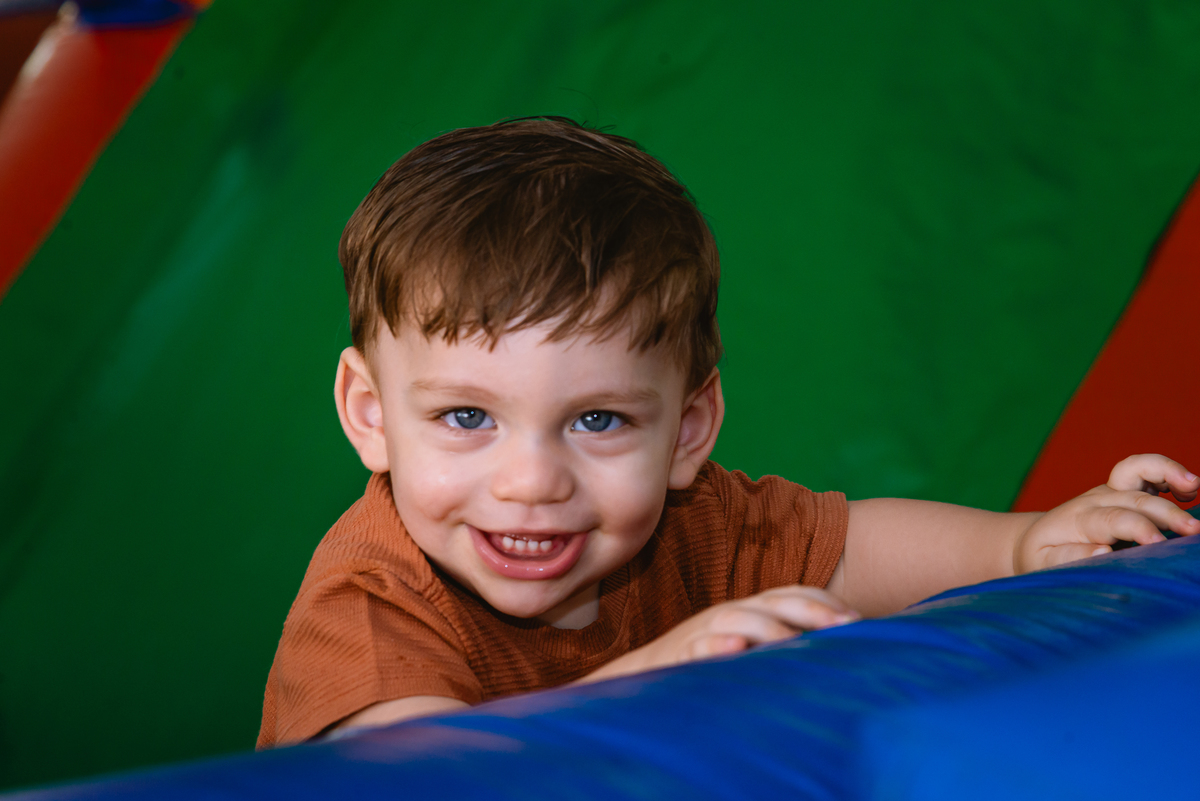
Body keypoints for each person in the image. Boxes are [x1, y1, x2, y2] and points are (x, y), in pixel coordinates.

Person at [257, 117, 1200, 748]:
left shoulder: (692, 524)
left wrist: (1025, 544)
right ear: (371, 414)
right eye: (467, 416)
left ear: (687, 430)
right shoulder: (371, 603)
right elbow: (423, 771)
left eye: (597, 419)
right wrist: (649, 676)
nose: (532, 481)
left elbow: (854, 549)